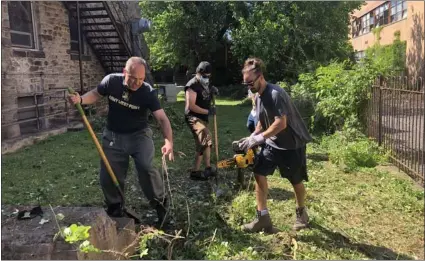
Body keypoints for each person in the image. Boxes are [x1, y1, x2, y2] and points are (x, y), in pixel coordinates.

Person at [69, 57, 174, 228]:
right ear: (125, 72)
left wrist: (169, 141)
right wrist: (80, 99)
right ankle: (116, 207)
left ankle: (160, 206)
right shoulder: (111, 81)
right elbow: (96, 94)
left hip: (139, 136)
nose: (137, 83)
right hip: (114, 136)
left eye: (141, 79)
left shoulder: (147, 91)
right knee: (109, 174)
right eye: (133, 78)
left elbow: (161, 118)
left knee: (147, 167)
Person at [237, 57, 312, 233]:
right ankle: (262, 217)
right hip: (273, 143)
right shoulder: (259, 96)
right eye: (246, 84)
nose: (249, 87)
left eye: (250, 83)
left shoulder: (275, 94)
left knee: (296, 181)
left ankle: (302, 213)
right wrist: (252, 136)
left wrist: (259, 138)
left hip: (291, 145)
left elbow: (281, 123)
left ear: (260, 77)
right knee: (259, 172)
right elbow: (263, 120)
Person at [184, 61, 218, 180]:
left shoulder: (206, 83)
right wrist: (208, 112)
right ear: (198, 73)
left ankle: (206, 169)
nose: (206, 78)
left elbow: (206, 95)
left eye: (208, 76)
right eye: (204, 76)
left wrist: (212, 91)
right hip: (193, 118)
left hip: (203, 118)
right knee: (204, 134)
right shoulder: (192, 85)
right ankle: (196, 171)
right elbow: (191, 106)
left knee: (205, 141)